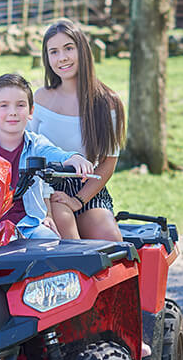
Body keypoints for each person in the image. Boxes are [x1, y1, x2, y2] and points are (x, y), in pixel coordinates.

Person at [0, 74, 94, 239]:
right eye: (4, 105)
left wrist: (73, 158)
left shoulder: (37, 144)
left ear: (31, 111)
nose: (13, 112)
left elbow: (54, 152)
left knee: (49, 241)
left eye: (20, 105)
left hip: (28, 225)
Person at [31, 19, 126, 242]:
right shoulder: (40, 98)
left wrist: (78, 200)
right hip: (47, 188)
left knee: (112, 241)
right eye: (54, 52)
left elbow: (108, 163)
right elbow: (28, 149)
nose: (62, 57)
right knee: (71, 243)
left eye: (68, 48)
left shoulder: (107, 102)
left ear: (82, 50)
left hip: (87, 187)